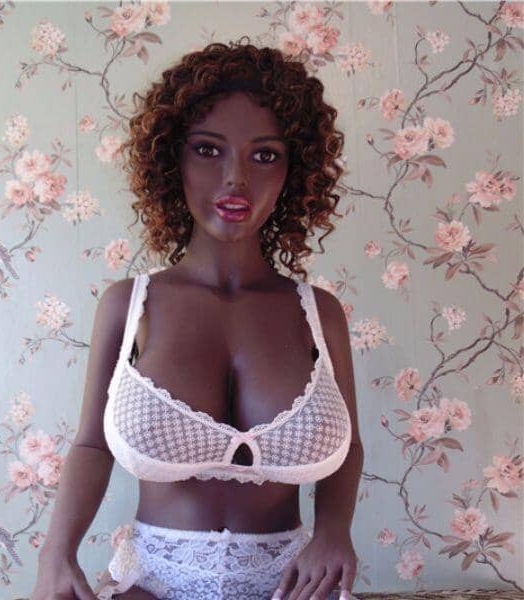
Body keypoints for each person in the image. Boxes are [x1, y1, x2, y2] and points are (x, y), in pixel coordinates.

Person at [32, 38, 364, 600]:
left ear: (294, 170)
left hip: (291, 584)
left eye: (265, 155)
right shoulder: (129, 305)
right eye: (208, 150)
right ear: (172, 160)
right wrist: (55, 555)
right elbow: (92, 444)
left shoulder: (317, 313)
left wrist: (334, 531)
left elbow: (348, 446)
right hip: (152, 582)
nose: (236, 179)